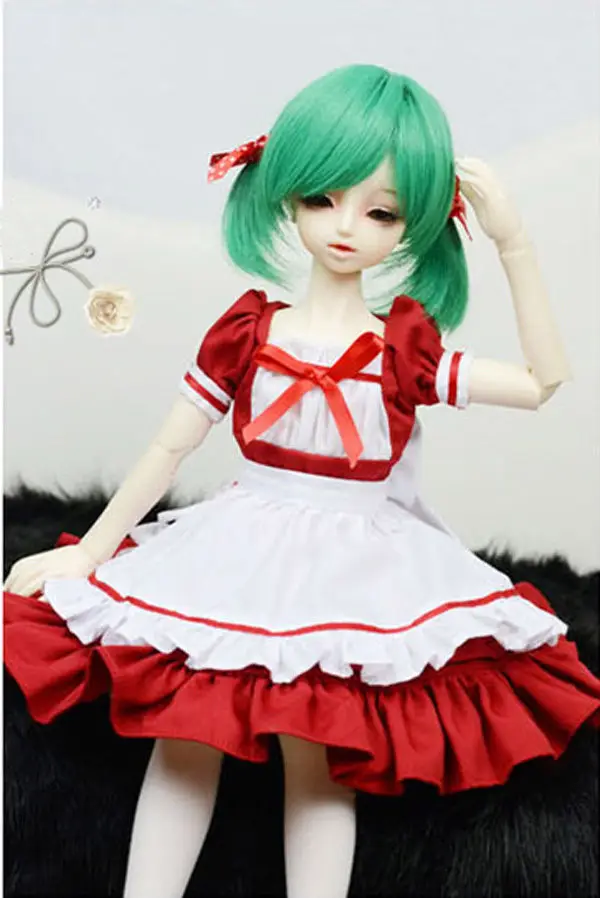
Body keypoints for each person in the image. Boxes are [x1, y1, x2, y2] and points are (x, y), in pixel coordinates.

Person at [5, 64, 600, 898]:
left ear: (416, 224)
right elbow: (170, 447)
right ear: (287, 195)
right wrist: (91, 552)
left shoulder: (404, 349)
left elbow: (542, 382)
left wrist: (514, 243)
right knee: (188, 734)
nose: (347, 225)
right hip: (242, 544)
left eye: (382, 211)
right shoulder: (249, 330)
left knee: (318, 757)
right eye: (323, 198)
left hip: (354, 564)